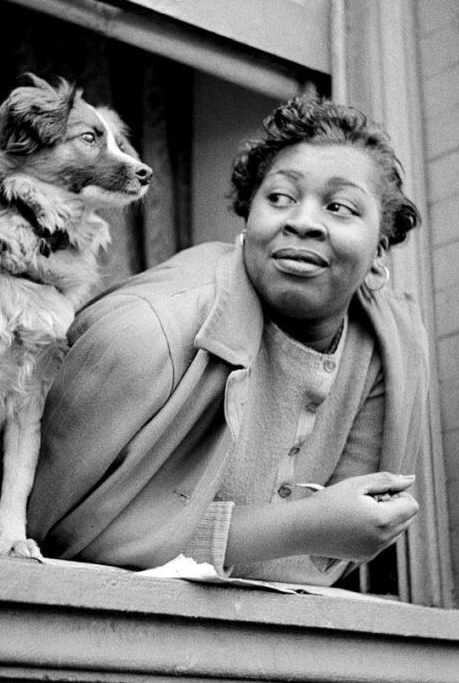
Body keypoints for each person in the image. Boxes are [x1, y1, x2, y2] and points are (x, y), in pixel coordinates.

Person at [25, 92, 429, 586]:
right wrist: (302, 526)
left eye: (340, 206)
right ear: (246, 219)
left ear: (381, 247)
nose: (301, 221)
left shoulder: (389, 353)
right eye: (278, 197)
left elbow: (318, 563)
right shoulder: (143, 334)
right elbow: (54, 536)